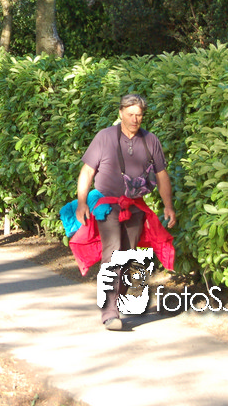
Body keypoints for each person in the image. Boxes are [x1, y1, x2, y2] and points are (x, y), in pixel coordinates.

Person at [75, 94, 177, 330]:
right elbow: (87, 171)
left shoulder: (150, 140)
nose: (135, 119)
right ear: (120, 113)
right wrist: (82, 203)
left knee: (129, 257)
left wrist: (168, 206)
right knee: (113, 254)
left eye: (139, 115)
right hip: (107, 206)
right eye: (130, 114)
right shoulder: (104, 137)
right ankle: (110, 312)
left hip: (135, 207)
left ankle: (115, 302)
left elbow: (162, 175)